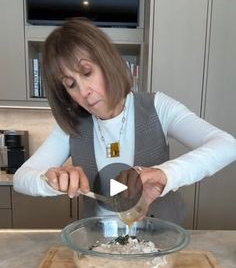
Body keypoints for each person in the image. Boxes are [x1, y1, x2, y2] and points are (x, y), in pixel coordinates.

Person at [13, 18, 236, 224]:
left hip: (161, 242)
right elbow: (21, 178)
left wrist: (164, 174)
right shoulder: (72, 127)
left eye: (87, 72)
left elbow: (227, 145)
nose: (84, 91)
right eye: (71, 84)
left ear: (107, 61)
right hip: (99, 244)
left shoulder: (157, 106)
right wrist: (52, 179)